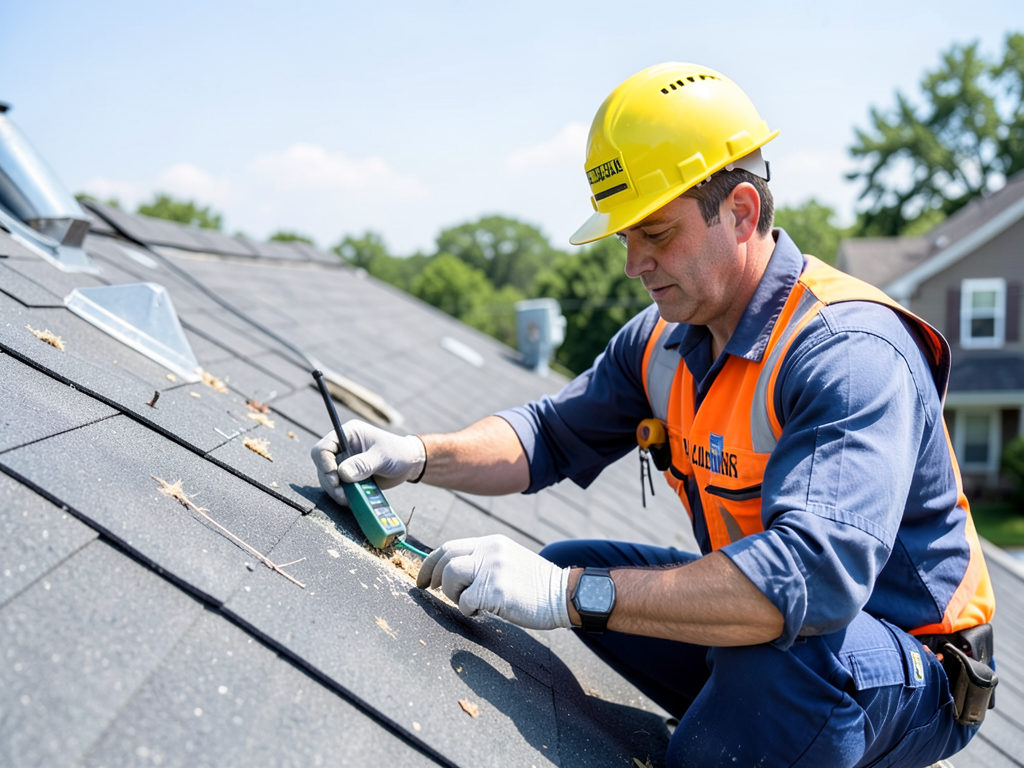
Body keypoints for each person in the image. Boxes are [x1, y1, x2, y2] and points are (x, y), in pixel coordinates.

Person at [312, 62, 996, 768]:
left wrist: (566, 597)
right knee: (578, 565)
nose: (634, 263)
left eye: (657, 234)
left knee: (774, 659)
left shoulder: (849, 352)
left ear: (741, 212)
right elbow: (548, 433)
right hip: (775, 627)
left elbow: (811, 582)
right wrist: (417, 456)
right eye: (623, 238)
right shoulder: (665, 340)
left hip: (904, 662)